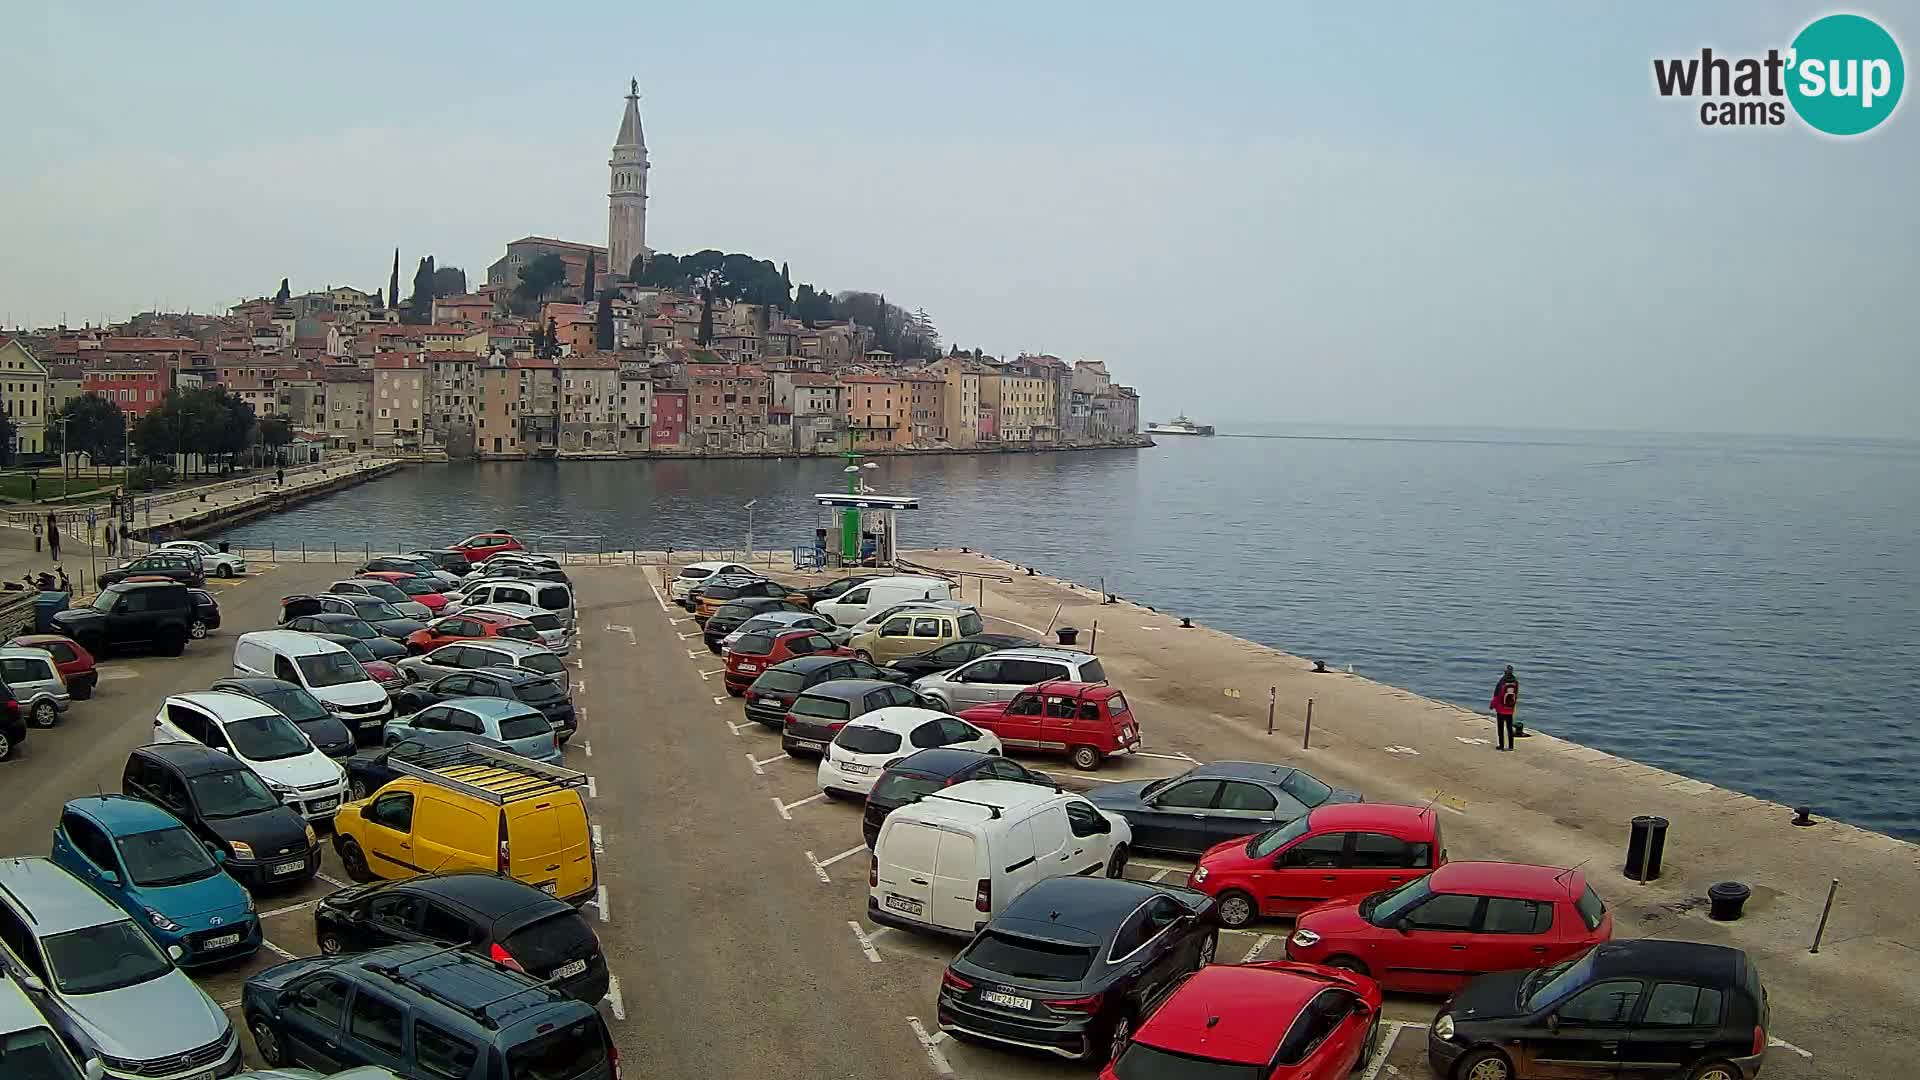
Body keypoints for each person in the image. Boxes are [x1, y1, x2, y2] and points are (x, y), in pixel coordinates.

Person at [1489, 666, 1520, 750]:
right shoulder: (1515, 682)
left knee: (1500, 728)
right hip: (1510, 708)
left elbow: (1496, 695)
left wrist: (1492, 705)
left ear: (1505, 672)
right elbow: (1516, 695)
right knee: (1509, 728)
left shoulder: (1502, 682)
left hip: (1501, 708)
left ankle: (1501, 745)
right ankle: (1511, 746)